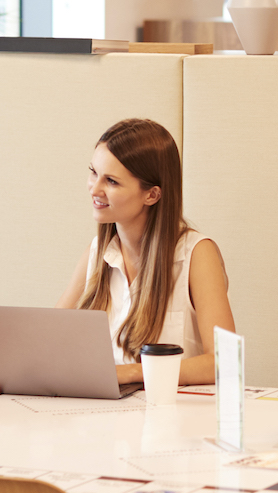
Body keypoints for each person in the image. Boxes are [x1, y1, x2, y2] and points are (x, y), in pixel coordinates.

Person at [55, 117, 235, 384]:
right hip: (104, 417)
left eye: (112, 181)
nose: (94, 188)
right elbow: (51, 340)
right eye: (94, 172)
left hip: (176, 419)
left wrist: (133, 373)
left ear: (151, 195)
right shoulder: (97, 253)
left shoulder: (197, 254)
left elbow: (225, 362)